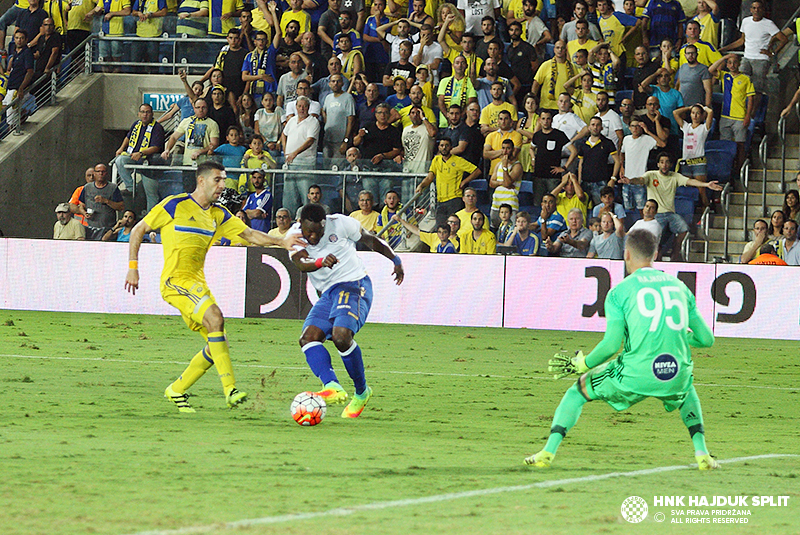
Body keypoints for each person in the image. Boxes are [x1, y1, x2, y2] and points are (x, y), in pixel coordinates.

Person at [525, 228, 718, 470]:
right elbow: (707, 339)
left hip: (635, 374)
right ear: (656, 254)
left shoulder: (619, 292)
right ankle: (702, 454)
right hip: (674, 372)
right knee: (686, 388)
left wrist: (581, 364)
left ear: (626, 254)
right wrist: (675, 337)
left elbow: (610, 346)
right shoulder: (679, 286)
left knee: (577, 392)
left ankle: (547, 452)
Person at [125, 161, 302, 413]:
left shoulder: (218, 215)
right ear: (202, 180)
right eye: (218, 180)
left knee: (216, 340)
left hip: (197, 284)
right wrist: (133, 266)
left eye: (224, 180)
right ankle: (230, 390)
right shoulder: (175, 204)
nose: (222, 185)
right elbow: (138, 229)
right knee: (216, 318)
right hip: (175, 282)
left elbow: (250, 235)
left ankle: (176, 389)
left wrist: (281, 242)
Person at [289, 203, 404, 417]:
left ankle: (361, 392)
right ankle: (332, 386)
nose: (312, 236)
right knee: (308, 338)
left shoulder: (341, 223)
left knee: (341, 336)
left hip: (354, 284)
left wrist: (395, 259)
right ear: (300, 225)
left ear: (325, 224)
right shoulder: (294, 235)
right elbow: (301, 263)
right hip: (328, 293)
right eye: (308, 232)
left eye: (317, 231)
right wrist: (321, 261)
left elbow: (370, 239)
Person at [620, 151, 722, 261]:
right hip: (657, 216)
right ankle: (656, 260)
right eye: (662, 162)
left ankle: (675, 255)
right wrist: (630, 180)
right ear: (658, 164)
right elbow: (640, 180)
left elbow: (690, 181)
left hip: (671, 214)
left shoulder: (675, 176)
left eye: (667, 162)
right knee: (656, 240)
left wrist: (707, 184)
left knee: (684, 229)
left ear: (670, 164)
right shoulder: (651, 175)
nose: (664, 165)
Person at [719, 0, 778, 114]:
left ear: (763, 10)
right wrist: (724, 49)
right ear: (750, 10)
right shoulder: (746, 21)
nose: (756, 10)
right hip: (747, 57)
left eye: (759, 8)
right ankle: (739, 110)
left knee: (757, 89)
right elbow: (741, 41)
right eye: (754, 8)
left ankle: (751, 115)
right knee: (738, 82)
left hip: (761, 60)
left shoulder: (769, 23)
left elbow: (783, 38)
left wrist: (772, 52)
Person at [113, 103, 166, 214]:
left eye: (147, 112)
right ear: (138, 114)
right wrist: (121, 148)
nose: (145, 115)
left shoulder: (157, 127)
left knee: (151, 195)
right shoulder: (136, 124)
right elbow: (128, 137)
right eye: (142, 112)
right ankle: (131, 188)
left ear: (152, 114)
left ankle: (150, 221)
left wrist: (141, 153)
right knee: (120, 160)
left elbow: (157, 147)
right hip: (134, 158)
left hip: (150, 164)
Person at [708, 53, 754, 175]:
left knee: (740, 145)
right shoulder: (725, 76)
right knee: (725, 146)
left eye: (734, 62)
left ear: (739, 64)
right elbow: (711, 70)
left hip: (740, 117)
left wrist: (747, 116)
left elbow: (750, 99)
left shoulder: (745, 79)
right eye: (729, 63)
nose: (732, 65)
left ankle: (739, 171)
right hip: (725, 117)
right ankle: (726, 170)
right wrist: (723, 58)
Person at [281, 95, 320, 215]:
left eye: (304, 106)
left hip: (306, 164)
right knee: (289, 198)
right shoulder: (292, 120)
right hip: (290, 164)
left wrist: (294, 153)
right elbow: (284, 134)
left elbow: (310, 141)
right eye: (299, 106)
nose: (302, 108)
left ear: (308, 108)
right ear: (296, 107)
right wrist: (285, 151)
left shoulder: (313, 122)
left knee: (306, 198)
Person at [619, 116, 664, 216]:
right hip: (627, 179)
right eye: (632, 126)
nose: (635, 128)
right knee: (628, 209)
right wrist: (622, 166)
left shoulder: (647, 139)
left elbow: (662, 144)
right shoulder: (626, 139)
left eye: (638, 126)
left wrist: (647, 131)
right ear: (629, 128)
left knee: (642, 210)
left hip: (640, 180)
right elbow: (622, 152)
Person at [673, 104, 713, 207]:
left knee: (701, 190)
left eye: (698, 113)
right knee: (688, 189)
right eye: (693, 113)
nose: (695, 116)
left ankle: (706, 210)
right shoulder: (686, 127)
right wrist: (689, 107)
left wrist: (703, 108)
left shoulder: (704, 128)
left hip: (699, 161)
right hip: (686, 162)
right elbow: (675, 113)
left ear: (702, 115)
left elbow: (710, 112)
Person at [574, 116, 619, 205]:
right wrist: (579, 181)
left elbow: (617, 161)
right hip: (585, 182)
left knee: (601, 208)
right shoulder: (583, 143)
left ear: (601, 128)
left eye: (598, 125)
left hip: (601, 182)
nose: (595, 127)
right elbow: (580, 163)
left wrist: (613, 179)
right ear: (589, 127)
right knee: (583, 209)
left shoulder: (607, 142)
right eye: (593, 125)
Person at [78, 163, 125, 240]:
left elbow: (121, 207)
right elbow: (81, 205)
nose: (101, 173)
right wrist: (84, 213)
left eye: (103, 171)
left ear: (106, 173)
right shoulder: (87, 187)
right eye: (98, 171)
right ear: (94, 173)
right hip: (90, 228)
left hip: (107, 229)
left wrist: (106, 201)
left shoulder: (113, 188)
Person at [532, 40, 577, 112]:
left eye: (562, 48)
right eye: (557, 48)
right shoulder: (546, 65)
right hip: (546, 106)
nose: (560, 50)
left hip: (564, 107)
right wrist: (533, 100)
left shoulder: (572, 67)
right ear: (554, 49)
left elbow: (576, 88)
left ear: (565, 50)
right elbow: (536, 84)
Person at [321, 73, 356, 164]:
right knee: (326, 168)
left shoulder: (348, 98)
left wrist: (345, 140)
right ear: (329, 84)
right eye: (333, 81)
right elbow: (323, 111)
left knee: (337, 167)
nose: (335, 83)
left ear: (342, 83)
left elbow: (351, 120)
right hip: (327, 140)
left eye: (338, 81)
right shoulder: (328, 98)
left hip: (340, 141)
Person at [488, 139, 523, 228]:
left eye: (508, 148)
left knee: (510, 229)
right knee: (495, 228)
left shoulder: (517, 166)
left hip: (510, 203)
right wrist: (501, 183)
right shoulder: (498, 164)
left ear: (513, 149)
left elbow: (507, 183)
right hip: (496, 202)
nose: (505, 151)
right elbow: (491, 183)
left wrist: (505, 167)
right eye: (503, 148)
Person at [392, 216, 458, 253]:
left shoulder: (451, 246)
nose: (442, 235)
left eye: (445, 232)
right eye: (439, 232)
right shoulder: (437, 243)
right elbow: (417, 231)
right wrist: (401, 220)